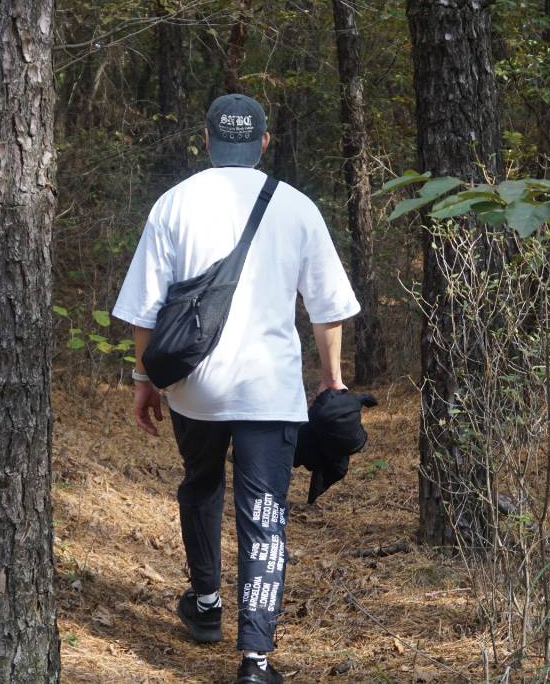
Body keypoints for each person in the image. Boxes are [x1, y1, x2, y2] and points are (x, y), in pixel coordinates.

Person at [112, 93, 361, 684]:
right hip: (270, 391)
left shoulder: (174, 204)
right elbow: (327, 311)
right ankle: (255, 659)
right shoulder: (298, 208)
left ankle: (204, 604)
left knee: (199, 483)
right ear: (264, 142)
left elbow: (146, 310)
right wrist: (331, 380)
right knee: (264, 513)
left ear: (206, 141)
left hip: (195, 389)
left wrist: (146, 379)